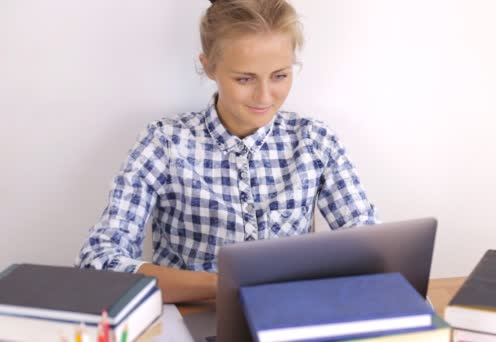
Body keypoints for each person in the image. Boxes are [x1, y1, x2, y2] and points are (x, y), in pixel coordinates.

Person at [76, 0, 379, 304]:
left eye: (280, 75)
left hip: (290, 319)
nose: (264, 96)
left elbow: (375, 250)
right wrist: (226, 284)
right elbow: (97, 262)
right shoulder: (165, 143)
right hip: (192, 320)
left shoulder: (315, 141)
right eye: (244, 79)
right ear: (208, 66)